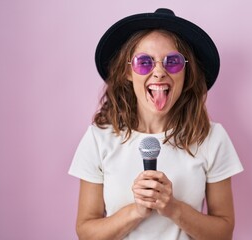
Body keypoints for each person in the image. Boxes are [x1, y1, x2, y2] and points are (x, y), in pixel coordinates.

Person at [69, 8, 243, 240]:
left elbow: (223, 233)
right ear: (128, 71)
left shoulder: (212, 138)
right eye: (144, 62)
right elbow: (86, 233)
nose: (159, 72)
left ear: (186, 72)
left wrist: (172, 208)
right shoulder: (98, 139)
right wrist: (137, 210)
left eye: (172, 61)